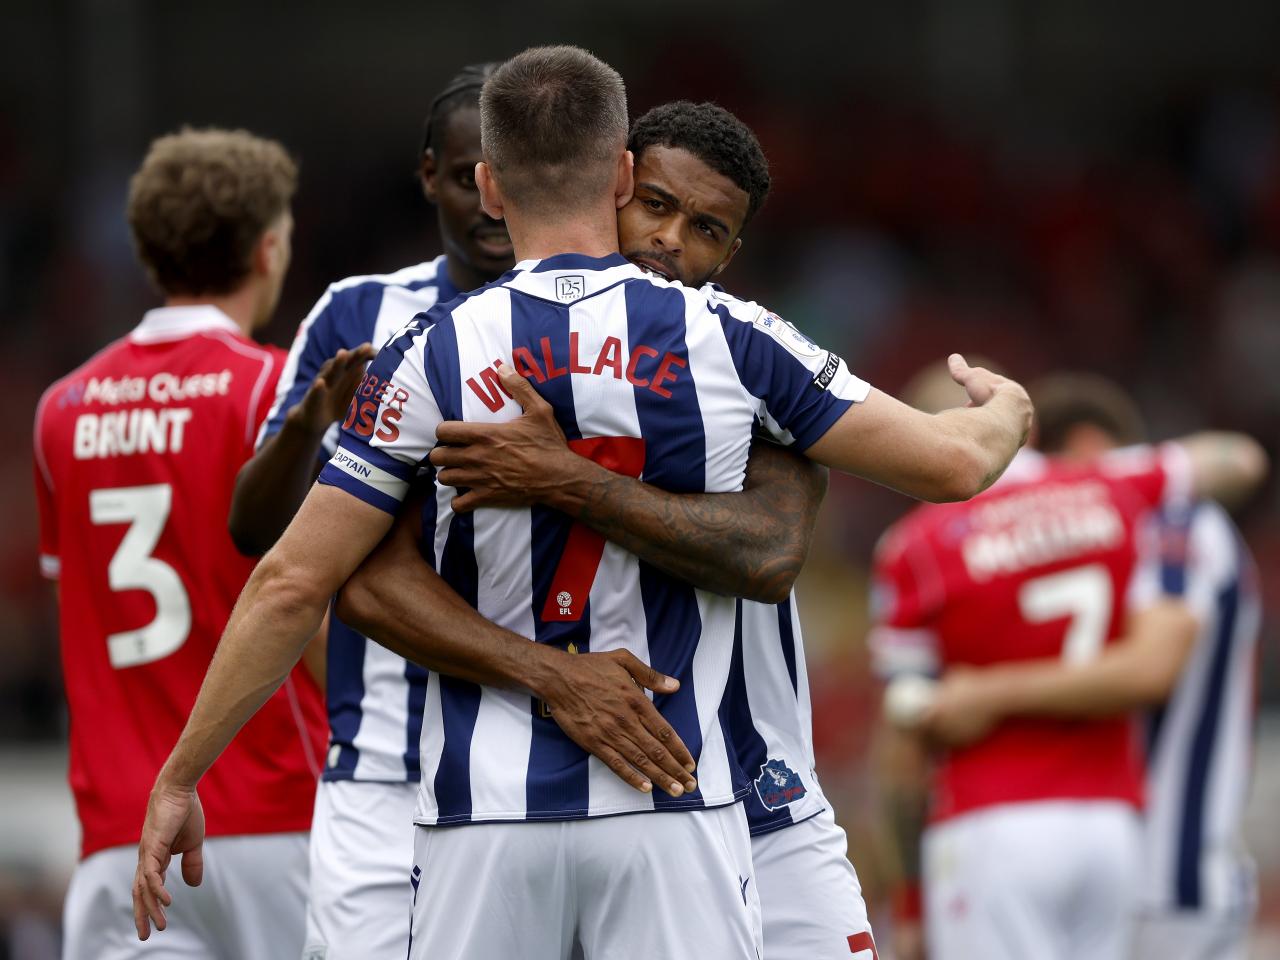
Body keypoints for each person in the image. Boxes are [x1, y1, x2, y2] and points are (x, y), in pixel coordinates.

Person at [133, 46, 1031, 959]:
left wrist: (180, 777)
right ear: (622, 175)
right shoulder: (731, 338)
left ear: (489, 185)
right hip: (676, 802)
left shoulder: (424, 352)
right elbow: (954, 465)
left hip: (482, 814)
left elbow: (291, 582)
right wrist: (1007, 409)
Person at [337, 99, 879, 959]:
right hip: (541, 804)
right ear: (614, 183)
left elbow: (773, 555)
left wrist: (565, 479)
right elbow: (358, 574)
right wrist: (553, 673)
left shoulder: (749, 369)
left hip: (758, 797)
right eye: (655, 205)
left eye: (703, 227)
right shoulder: (467, 356)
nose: (668, 239)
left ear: (732, 253)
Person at [226, 63, 516, 960]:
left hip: (525, 770)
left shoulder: (588, 319)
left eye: (502, 175)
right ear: (428, 173)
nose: (487, 199)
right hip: (379, 775)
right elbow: (251, 529)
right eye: (465, 174)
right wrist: (312, 420)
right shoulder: (357, 310)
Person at [32, 127, 327, 960]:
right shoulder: (275, 391)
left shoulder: (62, 409)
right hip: (279, 819)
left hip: (120, 841)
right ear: (269, 248)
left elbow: (78, 622)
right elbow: (312, 609)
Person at [868, 368, 1266, 960]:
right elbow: (1239, 459)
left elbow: (905, 741)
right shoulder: (1110, 489)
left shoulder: (913, 546)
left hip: (989, 819)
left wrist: (909, 901)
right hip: (1113, 825)